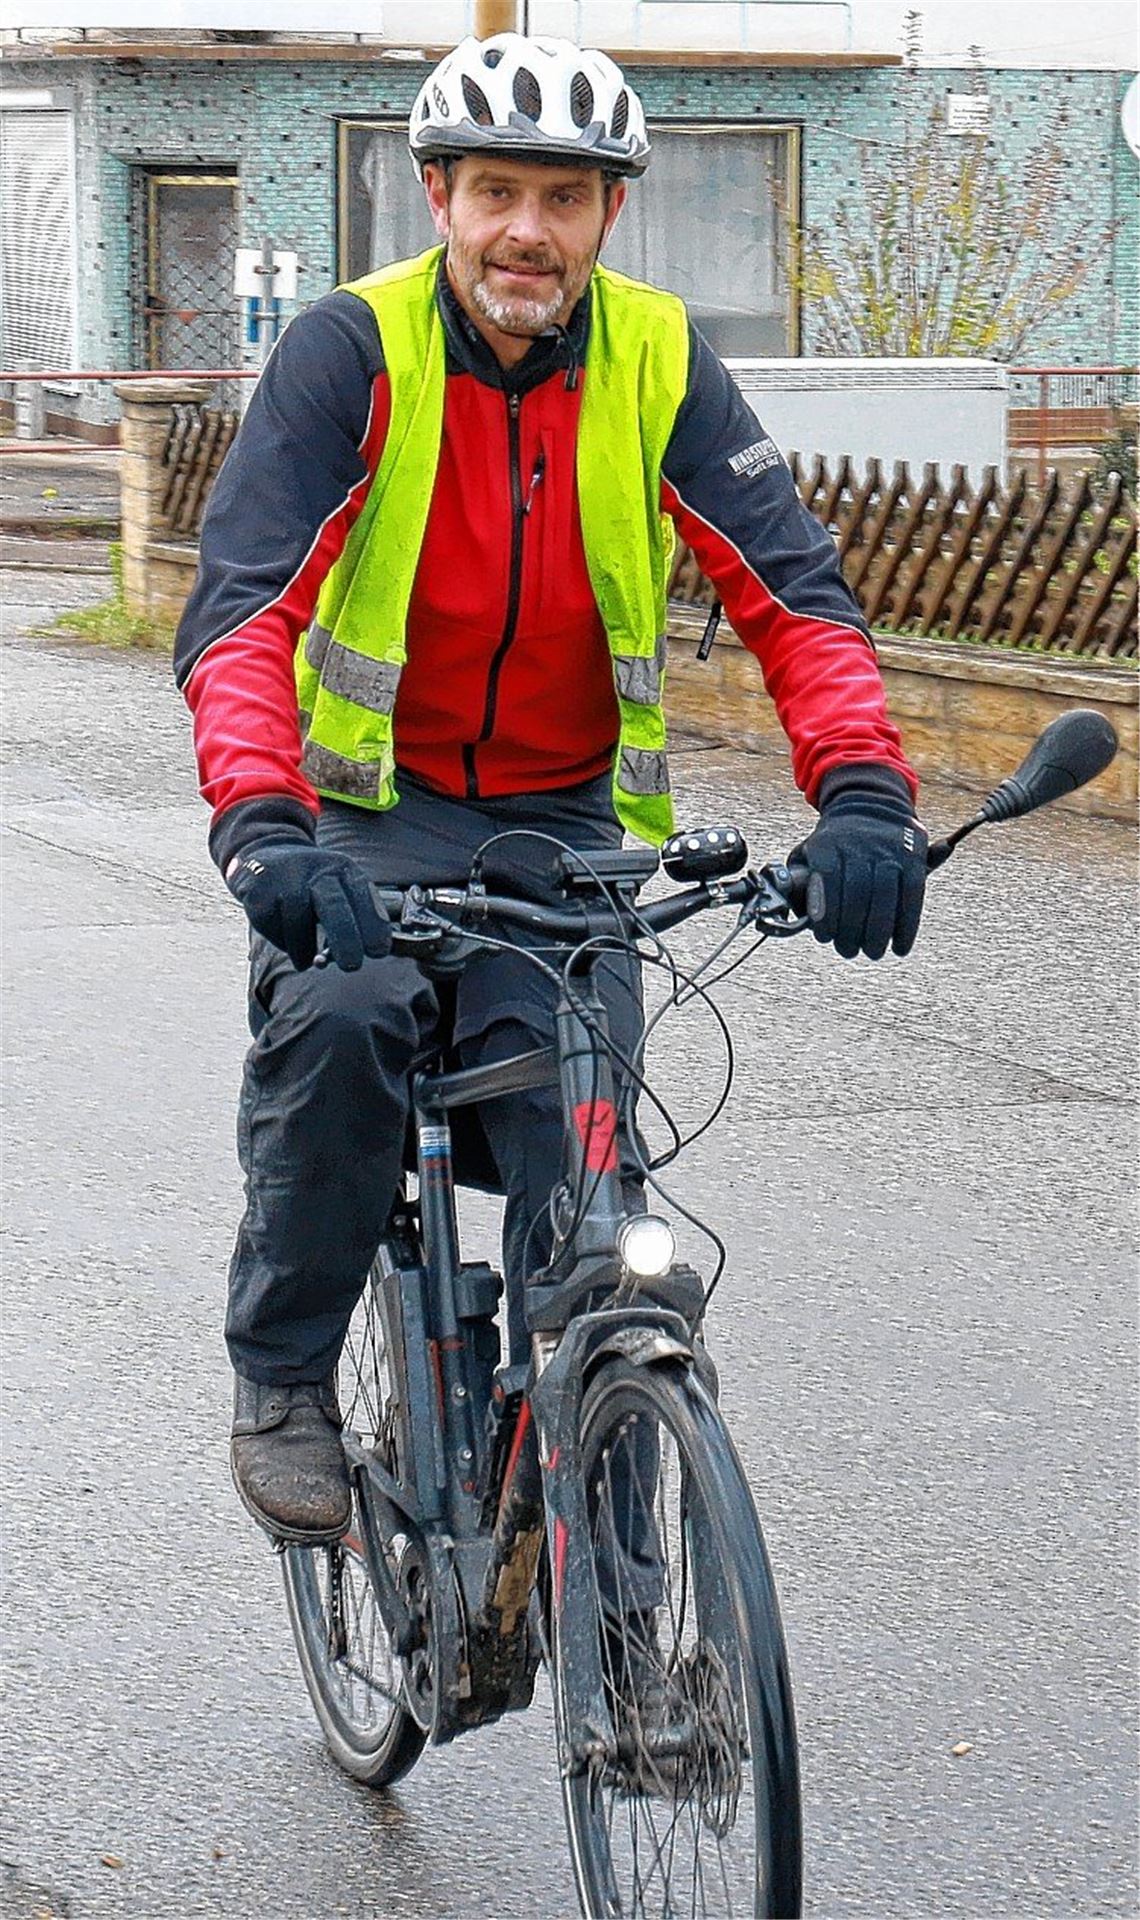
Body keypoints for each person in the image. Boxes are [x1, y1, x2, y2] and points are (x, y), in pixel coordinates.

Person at [174, 32, 926, 1547]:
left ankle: (634, 1605)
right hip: (363, 822)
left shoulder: (656, 359)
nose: (531, 228)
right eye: (499, 190)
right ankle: (285, 1379)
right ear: (438, 196)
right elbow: (243, 608)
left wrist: (861, 794)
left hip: (562, 834)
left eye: (566, 198)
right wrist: (262, 825)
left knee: (596, 1217)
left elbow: (797, 594)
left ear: (608, 216)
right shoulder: (353, 350)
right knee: (343, 1028)